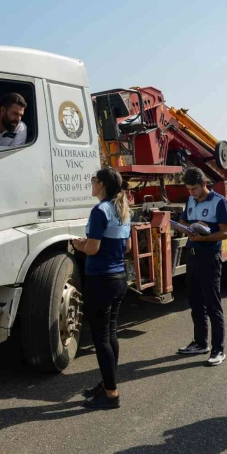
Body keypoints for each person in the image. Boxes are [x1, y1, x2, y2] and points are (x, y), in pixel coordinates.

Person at [72, 167, 132, 410]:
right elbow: (126, 247)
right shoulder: (122, 210)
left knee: (101, 339)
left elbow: (93, 249)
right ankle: (109, 384)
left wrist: (79, 245)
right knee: (110, 334)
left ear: (102, 185)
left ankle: (111, 395)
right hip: (118, 279)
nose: (91, 183)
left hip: (101, 279)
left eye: (94, 180)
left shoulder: (100, 210)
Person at [173, 167, 227, 366]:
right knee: (195, 303)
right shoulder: (190, 200)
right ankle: (200, 343)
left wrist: (203, 237)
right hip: (193, 256)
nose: (192, 193)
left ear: (204, 184)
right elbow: (183, 219)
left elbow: (225, 233)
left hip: (209, 256)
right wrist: (182, 226)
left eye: (195, 189)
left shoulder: (219, 202)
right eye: (189, 189)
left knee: (212, 305)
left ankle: (218, 350)